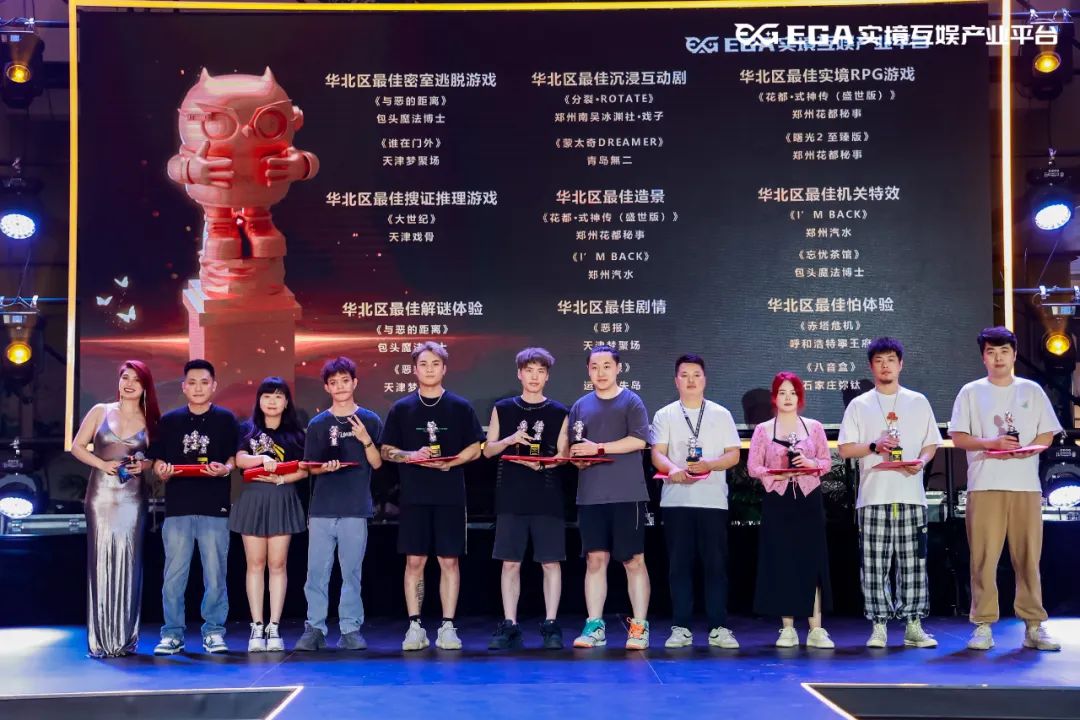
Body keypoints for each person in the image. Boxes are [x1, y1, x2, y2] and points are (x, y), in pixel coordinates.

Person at [949, 326, 1061, 651]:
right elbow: (958, 436)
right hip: (985, 485)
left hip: (1025, 486)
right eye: (991, 352)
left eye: (1004, 352)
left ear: (1014, 355)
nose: (998, 358)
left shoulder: (1031, 390)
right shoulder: (971, 392)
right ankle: (983, 624)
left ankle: (1034, 625)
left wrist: (1029, 448)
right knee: (983, 558)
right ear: (983, 357)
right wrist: (991, 443)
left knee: (1028, 557)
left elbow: (1047, 434)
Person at [380, 341, 484, 651]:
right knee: (415, 561)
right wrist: (410, 456)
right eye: (423, 364)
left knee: (449, 560)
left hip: (450, 494)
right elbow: (386, 450)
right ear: (414, 369)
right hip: (414, 495)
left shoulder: (460, 406)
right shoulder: (401, 408)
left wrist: (453, 461)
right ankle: (415, 626)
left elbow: (476, 446)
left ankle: (448, 626)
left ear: (444, 368)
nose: (429, 369)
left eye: (435, 364)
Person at [838, 338, 941, 648]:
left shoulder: (917, 401)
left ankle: (913, 625)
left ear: (901, 364)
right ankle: (879, 626)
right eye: (879, 361)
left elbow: (931, 443)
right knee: (874, 565)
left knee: (913, 563)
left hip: (911, 495)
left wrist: (921, 462)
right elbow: (845, 449)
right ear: (871, 366)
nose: (885, 366)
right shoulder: (860, 405)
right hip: (874, 497)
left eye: (891, 360)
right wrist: (874, 446)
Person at [560, 344, 652, 650]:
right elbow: (575, 447)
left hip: (627, 494)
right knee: (595, 560)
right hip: (591, 495)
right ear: (588, 370)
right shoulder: (580, 406)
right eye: (594, 367)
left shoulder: (631, 401)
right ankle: (594, 625)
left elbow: (638, 440)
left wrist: (598, 448)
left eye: (606, 366)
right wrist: (578, 459)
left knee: (633, 560)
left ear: (618, 369)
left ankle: (639, 627)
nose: (600, 372)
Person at [69, 360, 160, 658]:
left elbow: (156, 461)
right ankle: (100, 640)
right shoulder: (101, 410)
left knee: (130, 561)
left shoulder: (151, 420)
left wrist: (143, 465)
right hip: (101, 496)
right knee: (100, 561)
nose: (129, 383)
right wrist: (102, 464)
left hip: (132, 498)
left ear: (145, 386)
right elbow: (77, 446)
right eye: (125, 377)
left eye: (136, 379)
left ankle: (124, 639)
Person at [650, 354, 741, 649]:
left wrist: (709, 465)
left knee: (715, 566)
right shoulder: (665, 414)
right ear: (676, 380)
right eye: (685, 375)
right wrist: (672, 470)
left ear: (705, 379)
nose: (691, 380)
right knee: (679, 567)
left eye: (696, 375)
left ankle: (718, 627)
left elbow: (734, 454)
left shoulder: (721, 414)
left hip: (713, 500)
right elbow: (657, 453)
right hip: (676, 500)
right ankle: (681, 627)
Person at [149, 359, 239, 655]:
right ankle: (172, 634)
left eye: (204, 382)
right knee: (174, 576)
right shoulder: (169, 421)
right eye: (192, 383)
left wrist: (226, 469)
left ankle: (213, 632)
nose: (198, 388)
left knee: (215, 575)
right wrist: (161, 470)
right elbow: (157, 460)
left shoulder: (225, 419)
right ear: (184, 387)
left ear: (213, 386)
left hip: (215, 507)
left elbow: (233, 458)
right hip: (178, 507)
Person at [482, 347, 570, 650]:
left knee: (550, 562)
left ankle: (551, 624)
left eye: (540, 371)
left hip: (546, 494)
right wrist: (509, 440)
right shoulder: (503, 408)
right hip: (511, 494)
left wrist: (543, 464)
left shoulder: (559, 411)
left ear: (547, 376)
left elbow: (564, 456)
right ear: (519, 374)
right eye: (529, 370)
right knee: (510, 563)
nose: (534, 377)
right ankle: (510, 624)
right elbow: (488, 450)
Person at [295, 357, 384, 652]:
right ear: (327, 387)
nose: (340, 387)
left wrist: (365, 439)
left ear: (354, 383)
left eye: (345, 381)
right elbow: (309, 466)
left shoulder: (370, 419)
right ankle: (315, 628)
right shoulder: (318, 424)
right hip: (322, 508)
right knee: (316, 573)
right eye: (334, 382)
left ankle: (350, 628)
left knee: (351, 573)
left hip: (355, 507)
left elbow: (377, 463)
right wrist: (324, 467)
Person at [747, 372, 834, 649]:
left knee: (812, 561)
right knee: (782, 561)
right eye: (782, 392)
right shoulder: (763, 430)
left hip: (808, 499)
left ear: (800, 397)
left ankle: (816, 628)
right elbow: (753, 467)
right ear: (774, 397)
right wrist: (775, 474)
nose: (788, 398)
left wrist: (810, 463)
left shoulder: (814, 427)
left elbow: (826, 462)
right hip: (778, 499)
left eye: (793, 393)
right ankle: (787, 629)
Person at [231, 377, 309, 653]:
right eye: (266, 396)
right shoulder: (247, 429)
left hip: (282, 497)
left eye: (278, 396)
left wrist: (282, 479)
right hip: (252, 499)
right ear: (259, 400)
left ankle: (274, 626)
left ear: (286, 402)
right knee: (255, 563)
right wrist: (263, 460)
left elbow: (304, 469)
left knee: (277, 564)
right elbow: (239, 459)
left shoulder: (297, 434)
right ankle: (256, 626)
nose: (272, 401)